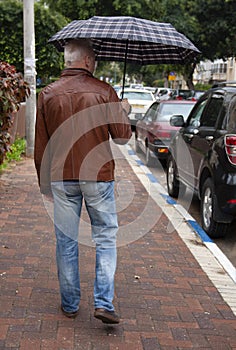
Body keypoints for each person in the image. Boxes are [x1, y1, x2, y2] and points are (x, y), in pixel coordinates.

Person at [34, 39, 132, 324]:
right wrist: (121, 110)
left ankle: (70, 303)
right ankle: (103, 303)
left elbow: (42, 145)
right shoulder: (104, 91)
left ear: (68, 60)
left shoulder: (48, 94)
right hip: (98, 177)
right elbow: (123, 137)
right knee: (105, 237)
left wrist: (44, 185)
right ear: (88, 61)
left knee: (65, 241)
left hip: (61, 178)